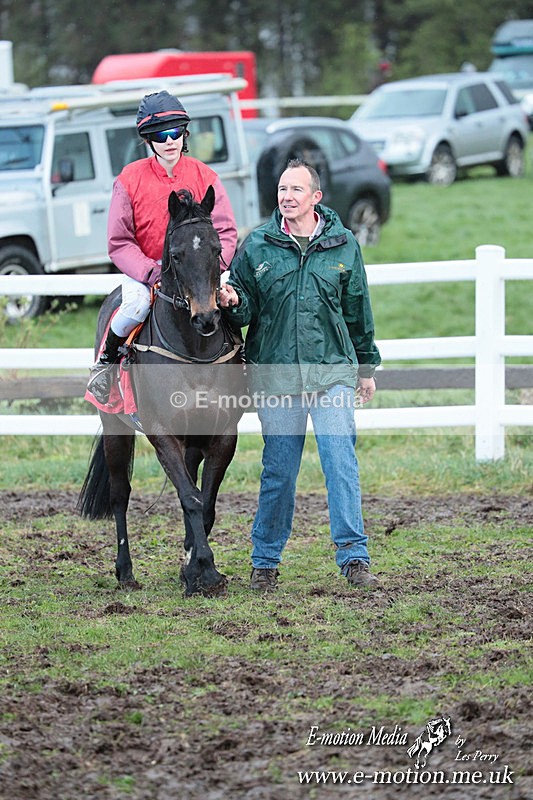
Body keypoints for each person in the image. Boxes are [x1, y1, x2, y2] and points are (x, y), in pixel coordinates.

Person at [218, 159, 381, 592]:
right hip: (277, 379)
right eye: (282, 189)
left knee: (340, 464)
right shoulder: (257, 246)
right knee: (279, 471)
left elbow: (357, 312)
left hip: (332, 374)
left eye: (296, 189)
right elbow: (246, 309)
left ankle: (354, 558)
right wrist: (234, 300)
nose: (286, 196)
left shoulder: (343, 245)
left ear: (316, 197)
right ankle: (265, 561)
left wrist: (365, 368)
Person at [87, 90, 238, 404]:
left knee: (229, 303)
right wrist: (149, 270)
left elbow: (225, 231)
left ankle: (243, 360)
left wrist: (212, 270)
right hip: (147, 270)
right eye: (160, 135)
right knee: (135, 307)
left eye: (175, 133)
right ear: (148, 140)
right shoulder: (129, 180)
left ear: (184, 134)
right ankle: (106, 366)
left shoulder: (206, 176)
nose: (170, 141)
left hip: (201, 269)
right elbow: (119, 241)